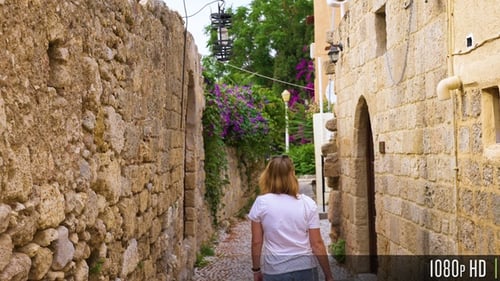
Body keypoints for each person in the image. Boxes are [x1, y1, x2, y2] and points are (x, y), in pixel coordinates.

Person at [248, 155, 335, 281]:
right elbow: (317, 244)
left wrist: (256, 270)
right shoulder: (307, 203)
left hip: (275, 270)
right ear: (292, 175)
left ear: (268, 176)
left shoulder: (261, 203)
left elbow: (256, 242)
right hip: (305, 268)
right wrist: (328, 274)